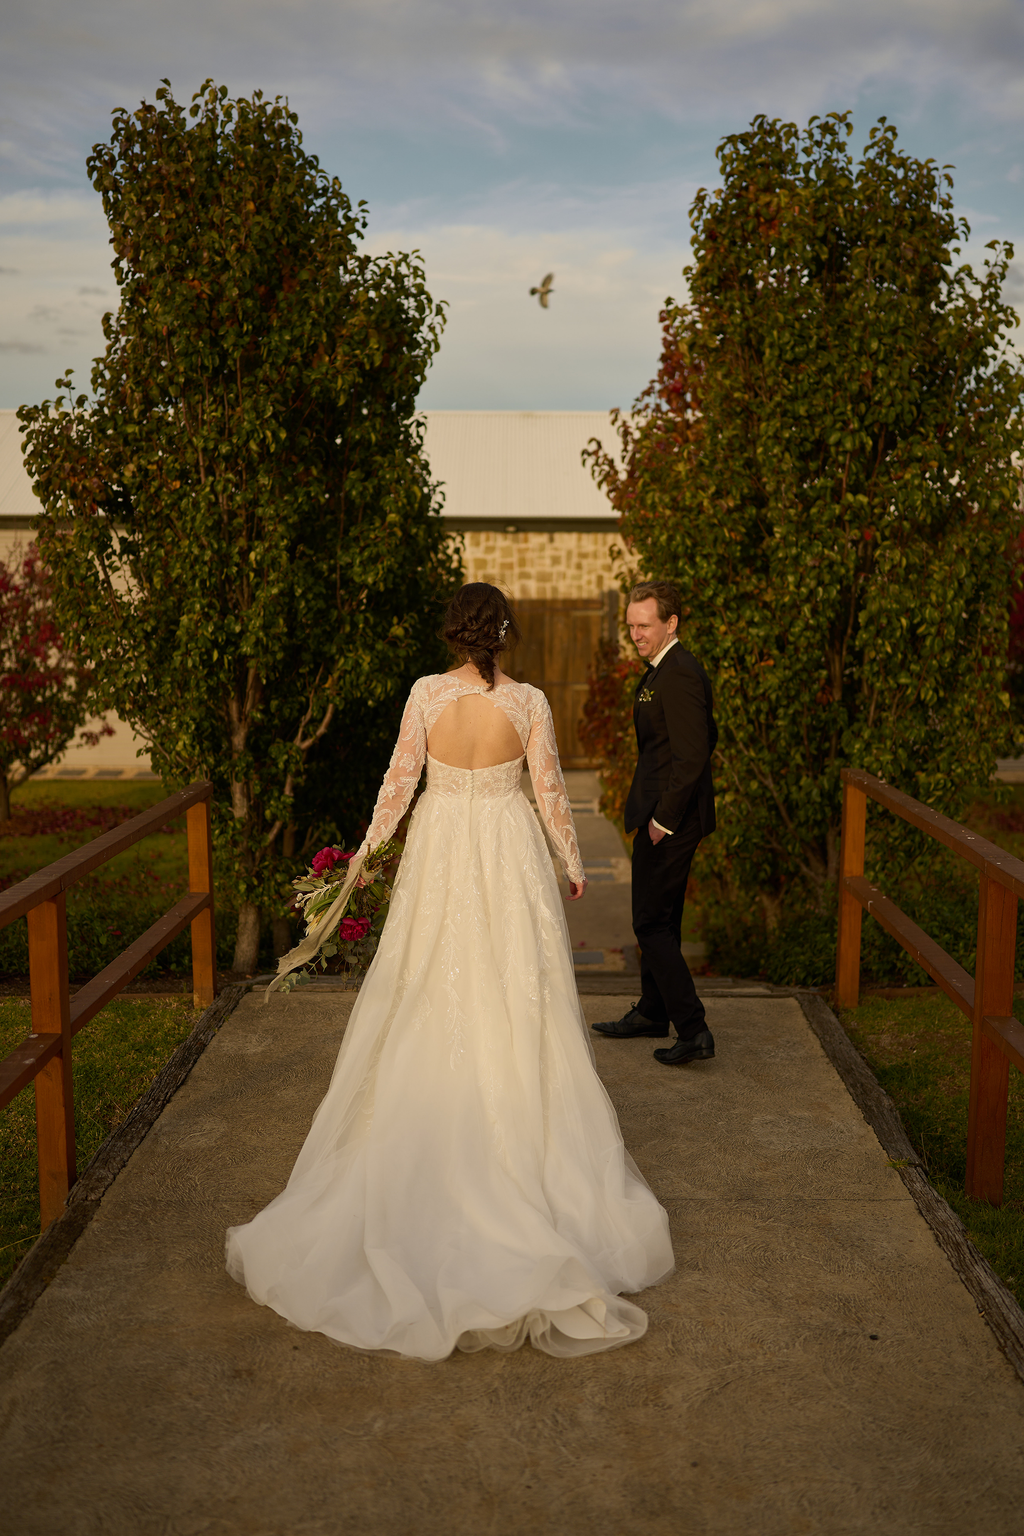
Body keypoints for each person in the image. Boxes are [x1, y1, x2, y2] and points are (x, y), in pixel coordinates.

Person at [226, 583, 673, 1360]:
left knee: (427, 990)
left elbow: (398, 787)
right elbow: (549, 792)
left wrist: (363, 859)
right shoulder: (529, 702)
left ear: (451, 634)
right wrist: (572, 862)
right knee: (516, 1001)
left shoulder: (426, 696)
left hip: (439, 855)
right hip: (507, 855)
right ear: (502, 634)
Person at [593, 581, 718, 1066]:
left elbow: (692, 755)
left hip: (672, 818)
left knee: (649, 923)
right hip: (663, 812)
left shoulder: (680, 672)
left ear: (671, 623)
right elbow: (702, 735)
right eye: (630, 626)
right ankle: (652, 1010)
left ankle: (693, 1028)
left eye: (644, 625)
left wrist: (664, 819)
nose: (636, 634)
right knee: (662, 920)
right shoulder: (661, 671)